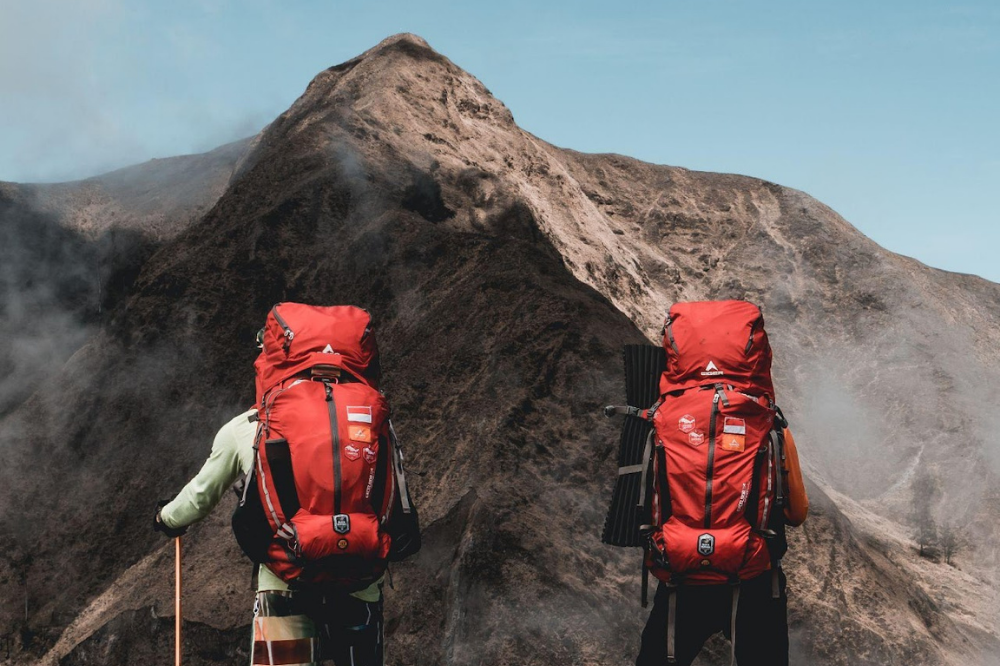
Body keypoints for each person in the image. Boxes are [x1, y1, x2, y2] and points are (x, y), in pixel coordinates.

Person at [154, 304, 404, 666]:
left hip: (285, 581)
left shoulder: (251, 425)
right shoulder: (373, 422)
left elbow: (200, 495)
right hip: (359, 582)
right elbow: (395, 496)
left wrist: (167, 519)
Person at [634, 427, 809, 666]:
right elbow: (797, 513)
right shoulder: (771, 425)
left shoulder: (667, 422)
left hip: (682, 577)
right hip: (755, 580)